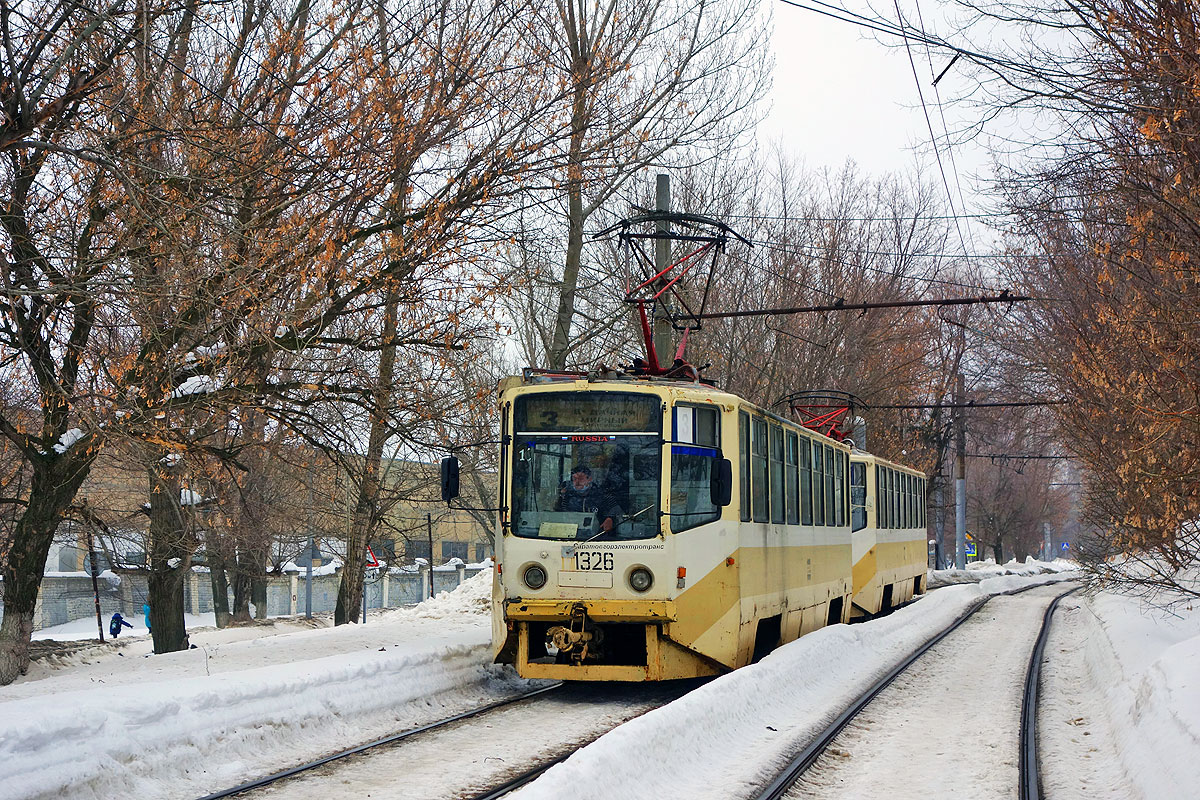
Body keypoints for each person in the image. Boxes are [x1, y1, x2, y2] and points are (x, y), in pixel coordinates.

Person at [555, 465, 622, 532]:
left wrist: (610, 519)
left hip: (598, 537)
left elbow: (618, 514)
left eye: (581, 478)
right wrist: (560, 499)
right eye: (574, 479)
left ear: (589, 479)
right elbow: (559, 515)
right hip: (570, 535)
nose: (577, 482)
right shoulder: (568, 497)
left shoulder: (602, 495)